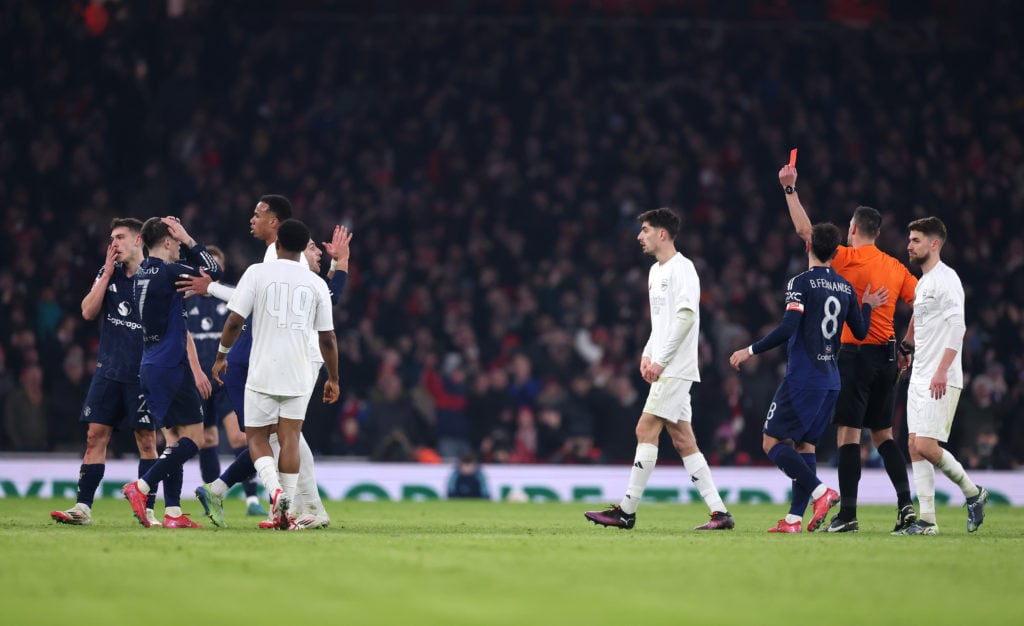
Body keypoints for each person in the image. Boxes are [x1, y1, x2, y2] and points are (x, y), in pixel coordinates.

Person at [189, 200, 350, 529]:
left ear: (276, 230)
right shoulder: (306, 279)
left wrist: (220, 353)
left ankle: (284, 502)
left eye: (257, 215)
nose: (315, 252)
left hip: (258, 363)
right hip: (289, 366)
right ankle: (289, 506)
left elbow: (236, 316)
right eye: (310, 247)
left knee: (264, 437)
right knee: (286, 437)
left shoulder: (262, 269)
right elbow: (328, 326)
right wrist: (340, 265)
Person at [780, 164, 919, 533]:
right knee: (885, 436)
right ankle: (907, 508)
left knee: (847, 436)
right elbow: (923, 303)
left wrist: (790, 189)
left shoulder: (844, 258)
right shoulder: (894, 266)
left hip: (854, 356)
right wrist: (908, 344)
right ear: (879, 232)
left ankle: (849, 514)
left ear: (854, 229)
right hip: (888, 357)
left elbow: (804, 232)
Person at [729, 223, 887, 533]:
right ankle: (793, 520)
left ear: (808, 247)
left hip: (804, 377)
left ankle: (820, 492)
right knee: (805, 446)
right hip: (831, 379)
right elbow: (861, 331)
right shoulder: (845, 288)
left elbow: (789, 327)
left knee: (770, 441)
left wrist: (750, 350)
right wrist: (867, 306)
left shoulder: (800, 283)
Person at [585, 208, 735, 531]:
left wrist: (661, 361)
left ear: (662, 234)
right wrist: (647, 352)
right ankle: (720, 513)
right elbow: (661, 322)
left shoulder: (684, 270)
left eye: (645, 230)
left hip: (676, 367)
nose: (640, 236)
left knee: (645, 429)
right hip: (668, 364)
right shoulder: (655, 272)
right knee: (683, 439)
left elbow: (685, 319)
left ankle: (626, 511)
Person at [50, 218, 160, 527]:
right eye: (111, 238)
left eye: (120, 237)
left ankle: (148, 511)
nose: (114, 243)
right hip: (109, 370)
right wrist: (107, 272)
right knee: (95, 436)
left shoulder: (155, 275)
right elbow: (87, 311)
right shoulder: (108, 274)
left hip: (143, 373)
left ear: (138, 240)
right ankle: (83, 507)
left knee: (146, 441)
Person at [121, 216, 223, 528]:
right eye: (175, 241)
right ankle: (141, 486)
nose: (179, 246)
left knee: (173, 440)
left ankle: (174, 512)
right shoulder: (170, 271)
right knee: (196, 437)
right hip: (171, 365)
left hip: (150, 364)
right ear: (167, 241)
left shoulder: (141, 273)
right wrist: (191, 239)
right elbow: (213, 272)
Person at [893, 217, 988, 535]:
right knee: (913, 445)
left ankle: (974, 493)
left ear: (934, 244)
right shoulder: (923, 283)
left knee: (927, 444)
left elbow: (958, 327)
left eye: (916, 240)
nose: (909, 245)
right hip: (920, 373)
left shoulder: (947, 280)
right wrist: (906, 347)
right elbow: (918, 320)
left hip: (941, 377)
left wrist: (941, 371)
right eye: (909, 239)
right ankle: (928, 521)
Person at [185, 244, 265, 517]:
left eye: (215, 266)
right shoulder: (186, 299)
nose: (211, 271)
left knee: (239, 435)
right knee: (207, 440)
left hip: (226, 379)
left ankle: (252, 499)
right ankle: (211, 496)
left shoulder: (232, 298)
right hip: (198, 382)